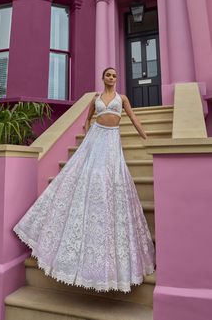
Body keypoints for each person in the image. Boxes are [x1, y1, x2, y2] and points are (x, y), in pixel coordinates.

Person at [13, 67, 155, 293]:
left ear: (117, 79)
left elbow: (134, 118)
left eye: (114, 75)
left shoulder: (123, 99)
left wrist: (147, 138)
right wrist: (89, 134)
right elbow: (88, 120)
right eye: (108, 75)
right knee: (91, 176)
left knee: (109, 179)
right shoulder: (96, 99)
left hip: (112, 142)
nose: (111, 77)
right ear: (103, 78)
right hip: (95, 139)